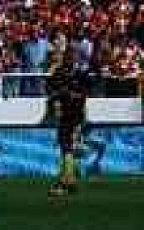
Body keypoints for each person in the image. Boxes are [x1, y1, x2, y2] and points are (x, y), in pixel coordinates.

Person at [47, 49, 91, 197]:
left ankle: (65, 183)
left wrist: (60, 98)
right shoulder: (79, 74)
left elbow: (52, 92)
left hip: (68, 115)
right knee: (68, 148)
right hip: (76, 115)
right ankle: (69, 180)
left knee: (66, 148)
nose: (71, 60)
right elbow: (85, 93)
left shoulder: (61, 73)